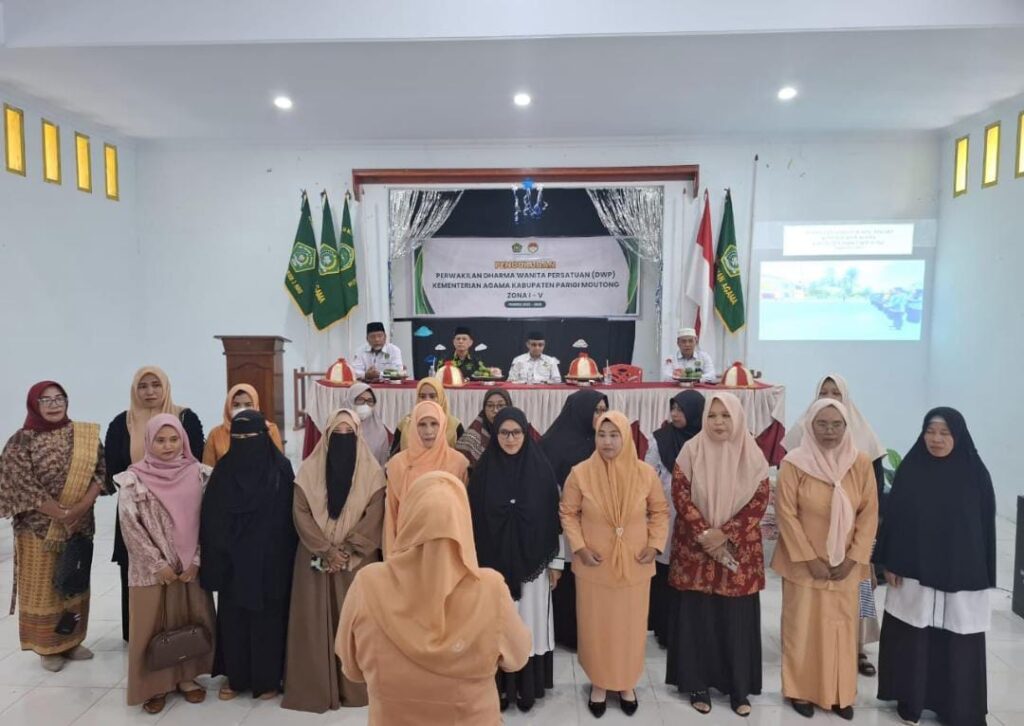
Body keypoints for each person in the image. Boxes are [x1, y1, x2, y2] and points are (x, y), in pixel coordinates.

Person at [337, 472, 532, 726]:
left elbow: (351, 668)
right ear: (463, 520)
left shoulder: (367, 584)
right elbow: (518, 657)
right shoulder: (490, 588)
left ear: (408, 520)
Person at [874, 408, 995, 726]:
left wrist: (982, 574)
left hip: (960, 574)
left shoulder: (975, 474)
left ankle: (956, 707)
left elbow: (985, 530)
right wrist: (889, 562)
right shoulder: (912, 469)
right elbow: (894, 521)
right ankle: (911, 700)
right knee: (914, 634)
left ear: (958, 435)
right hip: (914, 571)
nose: (936, 439)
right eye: (930, 431)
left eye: (944, 433)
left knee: (957, 638)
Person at [771, 399, 879, 720]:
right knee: (803, 630)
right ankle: (800, 691)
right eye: (822, 424)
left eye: (836, 424)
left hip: (846, 567)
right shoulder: (794, 463)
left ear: (847, 427)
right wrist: (810, 558)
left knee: (842, 631)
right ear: (810, 425)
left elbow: (869, 514)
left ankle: (840, 693)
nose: (829, 431)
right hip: (804, 565)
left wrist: (853, 558)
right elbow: (786, 514)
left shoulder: (859, 463)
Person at [559, 410, 670, 717]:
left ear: (626, 437)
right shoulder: (580, 473)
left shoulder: (644, 473)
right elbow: (568, 512)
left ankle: (626, 683)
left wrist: (654, 544)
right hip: (594, 566)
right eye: (601, 435)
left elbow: (660, 511)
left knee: (630, 628)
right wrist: (579, 547)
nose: (607, 442)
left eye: (614, 435)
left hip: (635, 563)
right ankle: (599, 682)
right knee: (597, 627)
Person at [666, 393, 770, 717]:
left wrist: (724, 534)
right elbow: (681, 495)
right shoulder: (691, 451)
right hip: (695, 549)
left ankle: (739, 687)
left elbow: (759, 501)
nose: (719, 422)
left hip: (737, 551)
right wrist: (705, 533)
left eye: (725, 416)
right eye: (712, 416)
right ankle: (697, 683)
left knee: (736, 620)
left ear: (737, 418)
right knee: (698, 618)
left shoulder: (752, 454)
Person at [282, 409, 387, 712]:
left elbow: (374, 515)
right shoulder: (308, 471)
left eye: (349, 434)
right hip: (314, 558)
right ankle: (315, 687)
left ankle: (355, 690)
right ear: (326, 438)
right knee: (313, 626)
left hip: (356, 562)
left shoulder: (373, 473)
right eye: (336, 435)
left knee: (356, 624)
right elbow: (301, 513)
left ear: (358, 436)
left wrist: (349, 549)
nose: (343, 440)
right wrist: (326, 550)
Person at [783, 373, 888, 677]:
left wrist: (863, 551)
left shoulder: (864, 440)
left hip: (854, 544)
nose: (829, 397)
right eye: (823, 392)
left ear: (846, 398)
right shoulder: (800, 435)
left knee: (858, 597)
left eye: (836, 393)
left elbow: (873, 503)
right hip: (810, 542)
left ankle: (857, 649)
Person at [0, 381, 105, 671]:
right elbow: (21, 484)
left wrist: (78, 510)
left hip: (79, 526)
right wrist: (59, 513)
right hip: (38, 530)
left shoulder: (84, 436)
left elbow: (100, 473)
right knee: (45, 589)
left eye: (59, 398)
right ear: (34, 404)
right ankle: (47, 647)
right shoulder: (21, 441)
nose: (54, 404)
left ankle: (71, 641)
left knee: (73, 585)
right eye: (45, 400)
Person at [116, 414, 216, 714]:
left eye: (174, 439)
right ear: (149, 441)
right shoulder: (133, 479)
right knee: (151, 626)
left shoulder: (200, 474)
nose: (168, 446)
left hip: (190, 568)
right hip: (151, 571)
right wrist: (157, 563)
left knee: (189, 621)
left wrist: (196, 559)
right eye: (160, 440)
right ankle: (154, 686)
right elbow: (130, 525)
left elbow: (210, 521)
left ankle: (187, 678)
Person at [469, 407, 562, 713]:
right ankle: (499, 687)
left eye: (517, 432)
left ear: (526, 433)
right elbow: (472, 522)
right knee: (497, 625)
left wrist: (555, 563)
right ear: (495, 435)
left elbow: (555, 519)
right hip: (492, 567)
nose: (510, 439)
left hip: (534, 566)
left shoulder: (541, 471)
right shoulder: (482, 473)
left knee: (529, 622)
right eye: (504, 433)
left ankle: (527, 687)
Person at [200, 410, 297, 701]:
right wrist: (220, 557)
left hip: (270, 562)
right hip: (234, 562)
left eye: (251, 437)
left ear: (264, 437)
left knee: (269, 620)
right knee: (234, 620)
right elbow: (211, 518)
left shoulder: (280, 468)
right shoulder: (224, 470)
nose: (245, 443)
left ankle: (268, 679)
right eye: (238, 437)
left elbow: (289, 518)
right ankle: (236, 677)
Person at [105, 365, 204, 642]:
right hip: (138, 508)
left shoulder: (185, 418)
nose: (150, 391)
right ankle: (141, 639)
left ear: (166, 387)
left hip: (182, 509)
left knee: (184, 583)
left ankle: (184, 644)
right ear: (134, 389)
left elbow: (194, 460)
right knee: (141, 574)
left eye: (156, 385)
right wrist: (142, 490)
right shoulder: (122, 423)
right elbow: (113, 467)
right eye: (143, 386)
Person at [539, 389, 609, 649]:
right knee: (567, 579)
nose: (601, 416)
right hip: (563, 523)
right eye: (596, 410)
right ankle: (567, 633)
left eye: (604, 410)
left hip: (597, 524)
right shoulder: (552, 443)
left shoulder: (604, 443)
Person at [644, 390, 705, 647]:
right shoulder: (660, 439)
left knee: (692, 569)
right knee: (665, 568)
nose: (675, 415)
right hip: (666, 510)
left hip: (699, 513)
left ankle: (690, 630)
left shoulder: (706, 440)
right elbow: (648, 473)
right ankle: (664, 628)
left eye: (681, 410)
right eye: (673, 409)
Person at [384, 401, 469, 555]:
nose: (428, 431)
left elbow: (464, 516)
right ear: (413, 427)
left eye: (434, 424)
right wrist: (391, 557)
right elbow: (391, 515)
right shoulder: (398, 464)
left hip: (446, 547)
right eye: (422, 425)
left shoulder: (458, 463)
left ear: (443, 425)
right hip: (407, 548)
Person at [455, 388, 539, 470]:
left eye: (500, 405)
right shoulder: (472, 437)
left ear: (509, 406)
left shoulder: (524, 432)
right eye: (490, 405)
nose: (495, 410)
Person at [202, 383, 283, 466]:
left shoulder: (269, 430)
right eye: (236, 405)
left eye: (248, 405)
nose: (242, 409)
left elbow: (279, 465)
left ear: (255, 405)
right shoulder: (216, 434)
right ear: (228, 407)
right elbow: (208, 469)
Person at [390, 378, 464, 454]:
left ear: (441, 397)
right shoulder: (405, 424)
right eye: (422, 396)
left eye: (432, 396)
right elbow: (393, 456)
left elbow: (463, 458)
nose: (427, 400)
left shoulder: (454, 426)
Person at [345, 382, 391, 466]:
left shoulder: (380, 431)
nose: (365, 405)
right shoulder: (339, 427)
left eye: (370, 401)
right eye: (360, 400)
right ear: (350, 401)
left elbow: (383, 463)